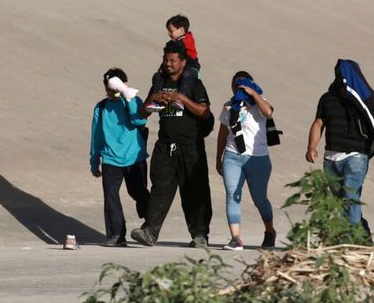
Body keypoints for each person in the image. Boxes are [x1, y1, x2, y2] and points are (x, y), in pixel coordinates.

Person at [130, 42, 213, 247]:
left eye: (172, 60)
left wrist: (181, 98)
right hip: (165, 145)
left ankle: (200, 235)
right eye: (166, 60)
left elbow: (204, 112)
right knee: (160, 187)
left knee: (194, 189)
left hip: (190, 146)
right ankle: (150, 231)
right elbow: (144, 111)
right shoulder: (160, 82)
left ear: (183, 62)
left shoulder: (193, 84)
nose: (168, 64)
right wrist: (154, 99)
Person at [215, 71, 277, 251]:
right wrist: (219, 158)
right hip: (232, 156)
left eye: (242, 84)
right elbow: (222, 134)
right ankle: (236, 238)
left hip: (257, 158)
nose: (238, 88)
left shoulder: (260, 103)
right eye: (235, 85)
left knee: (259, 199)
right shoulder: (228, 106)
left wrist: (253, 94)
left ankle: (269, 230)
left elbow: (268, 112)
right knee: (232, 196)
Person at [89, 68, 150, 247]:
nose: (112, 92)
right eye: (108, 88)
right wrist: (94, 160)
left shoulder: (133, 100)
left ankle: (151, 225)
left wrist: (128, 97)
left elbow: (139, 121)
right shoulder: (101, 107)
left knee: (138, 192)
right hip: (110, 158)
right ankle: (117, 233)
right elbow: (96, 135)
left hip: (134, 156)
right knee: (111, 195)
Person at [306, 82, 373, 236]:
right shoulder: (327, 98)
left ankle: (352, 239)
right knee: (341, 201)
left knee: (350, 195)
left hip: (356, 156)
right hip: (331, 158)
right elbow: (318, 123)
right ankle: (362, 233)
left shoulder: (362, 97)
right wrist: (311, 147)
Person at [146, 15, 200, 110]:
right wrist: (162, 68)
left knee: (187, 77)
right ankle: (157, 100)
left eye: (171, 31)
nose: (169, 34)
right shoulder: (178, 42)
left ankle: (180, 100)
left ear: (181, 30)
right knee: (158, 77)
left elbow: (175, 47)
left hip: (191, 67)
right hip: (177, 68)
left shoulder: (186, 39)